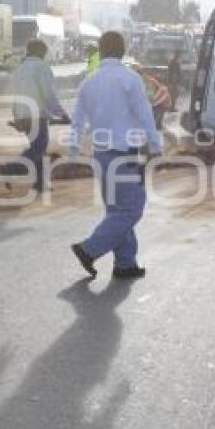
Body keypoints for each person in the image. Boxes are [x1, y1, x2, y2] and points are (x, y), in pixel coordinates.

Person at [69, 31, 162, 279]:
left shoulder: (89, 82)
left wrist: (72, 151)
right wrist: (155, 146)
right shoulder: (130, 79)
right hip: (124, 155)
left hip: (101, 157)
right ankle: (89, 249)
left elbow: (77, 122)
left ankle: (125, 263)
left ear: (101, 50)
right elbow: (145, 115)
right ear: (123, 50)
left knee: (117, 210)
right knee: (131, 209)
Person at [9, 39, 70, 192]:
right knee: (38, 148)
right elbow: (48, 94)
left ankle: (40, 183)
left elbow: (14, 95)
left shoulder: (20, 69)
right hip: (36, 115)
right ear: (41, 52)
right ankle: (11, 169)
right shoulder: (42, 67)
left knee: (37, 148)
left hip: (23, 114)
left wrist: (17, 117)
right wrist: (61, 113)